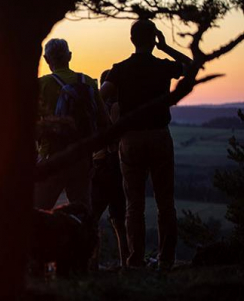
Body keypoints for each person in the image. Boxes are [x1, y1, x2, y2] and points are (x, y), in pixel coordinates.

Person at [100, 19, 192, 270]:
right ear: (153, 39)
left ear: (132, 40)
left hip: (131, 140)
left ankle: (135, 262)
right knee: (166, 203)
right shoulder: (163, 67)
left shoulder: (120, 69)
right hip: (160, 136)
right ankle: (165, 261)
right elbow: (191, 66)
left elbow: (102, 95)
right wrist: (165, 48)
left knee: (134, 205)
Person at [36, 38, 109, 210]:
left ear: (46, 59)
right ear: (69, 56)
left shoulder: (43, 84)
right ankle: (84, 237)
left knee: (37, 211)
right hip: (82, 157)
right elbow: (104, 120)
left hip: (52, 157)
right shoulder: (88, 82)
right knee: (82, 212)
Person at [90, 69, 128, 269]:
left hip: (101, 166)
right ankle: (126, 264)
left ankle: (92, 263)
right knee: (119, 220)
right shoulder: (121, 107)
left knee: (92, 218)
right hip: (119, 167)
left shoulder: (95, 109)